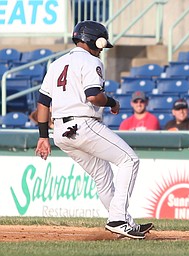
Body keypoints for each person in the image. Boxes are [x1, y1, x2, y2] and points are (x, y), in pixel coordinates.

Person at [34, 20, 153, 239]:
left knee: (103, 175)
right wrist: (112, 102)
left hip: (61, 132)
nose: (100, 50)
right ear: (93, 40)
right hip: (83, 124)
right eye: (100, 45)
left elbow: (42, 102)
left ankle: (126, 223)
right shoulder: (90, 61)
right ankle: (117, 219)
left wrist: (43, 136)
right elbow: (93, 96)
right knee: (129, 160)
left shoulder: (57, 63)